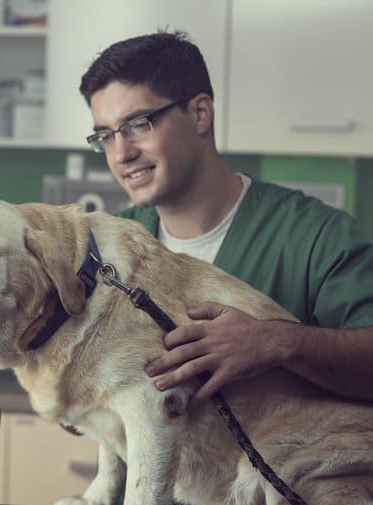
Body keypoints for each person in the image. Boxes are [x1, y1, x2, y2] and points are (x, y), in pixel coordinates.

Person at [79, 31, 373, 410]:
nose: (121, 153)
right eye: (106, 135)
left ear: (200, 114)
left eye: (139, 124)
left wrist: (276, 343)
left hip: (286, 466)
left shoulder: (315, 236)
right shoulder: (107, 247)